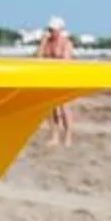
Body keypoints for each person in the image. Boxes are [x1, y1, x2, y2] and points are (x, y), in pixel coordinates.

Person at [40, 14, 74, 144]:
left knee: (65, 108)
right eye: (49, 29)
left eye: (52, 29)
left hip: (63, 78)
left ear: (60, 30)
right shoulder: (47, 42)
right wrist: (42, 44)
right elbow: (38, 59)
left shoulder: (66, 43)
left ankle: (68, 136)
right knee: (51, 109)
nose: (50, 32)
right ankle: (54, 135)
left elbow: (66, 61)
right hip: (50, 78)